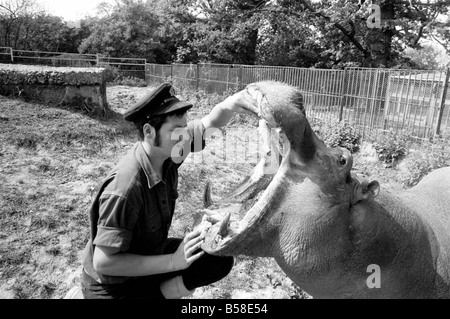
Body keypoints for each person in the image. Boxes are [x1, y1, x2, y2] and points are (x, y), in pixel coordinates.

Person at [79, 82, 257, 299]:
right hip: (112, 286)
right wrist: (173, 262)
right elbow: (104, 262)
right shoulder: (125, 188)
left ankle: (162, 292)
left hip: (148, 255)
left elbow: (209, 123)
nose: (183, 136)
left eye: (183, 127)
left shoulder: (167, 153)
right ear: (149, 131)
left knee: (217, 258)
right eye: (175, 130)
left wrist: (231, 104)